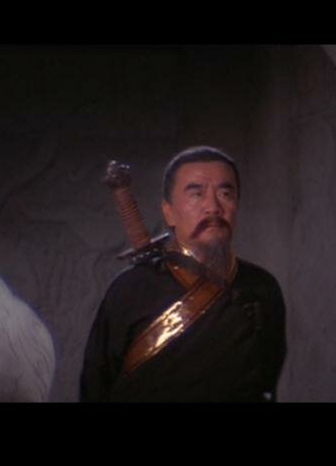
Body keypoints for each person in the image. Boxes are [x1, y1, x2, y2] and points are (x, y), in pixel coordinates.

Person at [80, 146, 287, 402]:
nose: (213, 207)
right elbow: (96, 385)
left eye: (225, 194)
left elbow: (267, 380)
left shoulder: (261, 287)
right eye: (196, 194)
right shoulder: (130, 290)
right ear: (169, 212)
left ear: (237, 206)